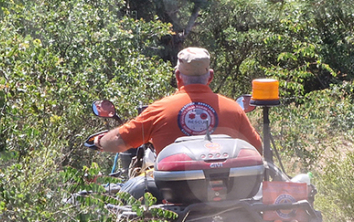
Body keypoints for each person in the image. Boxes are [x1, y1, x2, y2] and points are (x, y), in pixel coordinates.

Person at [94, 47, 263, 154]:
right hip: (229, 197)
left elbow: (118, 142)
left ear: (177, 76)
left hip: (176, 199)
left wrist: (98, 141)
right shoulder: (233, 108)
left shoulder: (159, 109)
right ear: (210, 76)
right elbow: (257, 149)